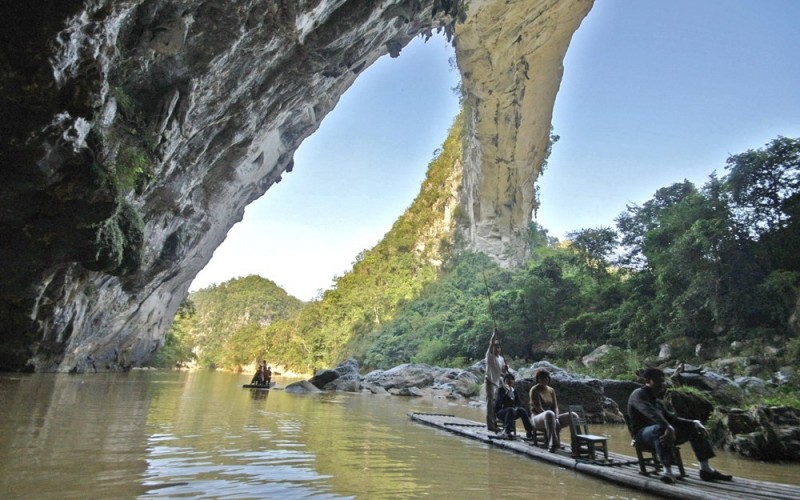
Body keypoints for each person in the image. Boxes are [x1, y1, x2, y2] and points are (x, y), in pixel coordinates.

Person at [628, 367, 733, 484]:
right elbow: (648, 411)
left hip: (660, 432)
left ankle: (705, 469)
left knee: (695, 428)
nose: (662, 384)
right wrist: (668, 427)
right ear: (649, 380)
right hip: (642, 436)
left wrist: (694, 422)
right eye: (659, 381)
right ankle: (667, 472)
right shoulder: (638, 394)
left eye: (663, 381)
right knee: (662, 429)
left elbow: (672, 418)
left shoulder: (657, 402)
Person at [529, 369, 574, 452]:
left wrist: (556, 418)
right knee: (549, 414)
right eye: (542, 378)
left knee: (573, 415)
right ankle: (553, 444)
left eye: (546, 378)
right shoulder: (534, 390)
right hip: (537, 417)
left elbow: (555, 407)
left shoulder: (551, 390)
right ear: (538, 379)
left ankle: (576, 443)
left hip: (552, 417)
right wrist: (552, 417)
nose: (544, 380)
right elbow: (538, 407)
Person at [494, 373, 535, 440]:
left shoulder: (514, 391)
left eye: (511, 381)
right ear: (504, 382)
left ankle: (529, 431)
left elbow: (518, 403)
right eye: (507, 381)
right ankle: (508, 432)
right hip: (501, 412)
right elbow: (499, 402)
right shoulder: (501, 389)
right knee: (510, 409)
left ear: (513, 382)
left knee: (522, 410)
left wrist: (516, 408)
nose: (509, 382)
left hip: (512, 411)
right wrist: (506, 393)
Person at [485, 328, 508, 432]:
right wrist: (494, 335)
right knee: (490, 404)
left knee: (496, 404)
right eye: (495, 347)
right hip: (490, 381)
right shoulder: (489, 356)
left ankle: (495, 423)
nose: (497, 349)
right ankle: (491, 425)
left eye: (498, 347)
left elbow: (503, 372)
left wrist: (505, 371)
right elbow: (491, 344)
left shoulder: (501, 359)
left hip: (498, 383)